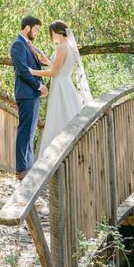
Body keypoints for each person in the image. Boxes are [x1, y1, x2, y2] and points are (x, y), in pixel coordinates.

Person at [34, 20, 94, 158]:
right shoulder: (70, 46)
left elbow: (54, 73)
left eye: (51, 34)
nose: (52, 37)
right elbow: (61, 69)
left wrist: (32, 71)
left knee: (58, 118)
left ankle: (55, 157)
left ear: (55, 32)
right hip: (66, 84)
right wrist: (48, 62)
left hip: (60, 86)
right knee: (66, 116)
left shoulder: (62, 47)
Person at [10, 15, 50, 180]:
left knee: (31, 131)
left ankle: (29, 166)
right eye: (36, 29)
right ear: (27, 28)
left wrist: (44, 62)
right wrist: (39, 86)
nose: (37, 32)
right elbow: (23, 70)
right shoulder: (18, 45)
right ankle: (21, 169)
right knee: (25, 131)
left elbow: (32, 67)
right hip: (26, 94)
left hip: (32, 94)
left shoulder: (28, 45)